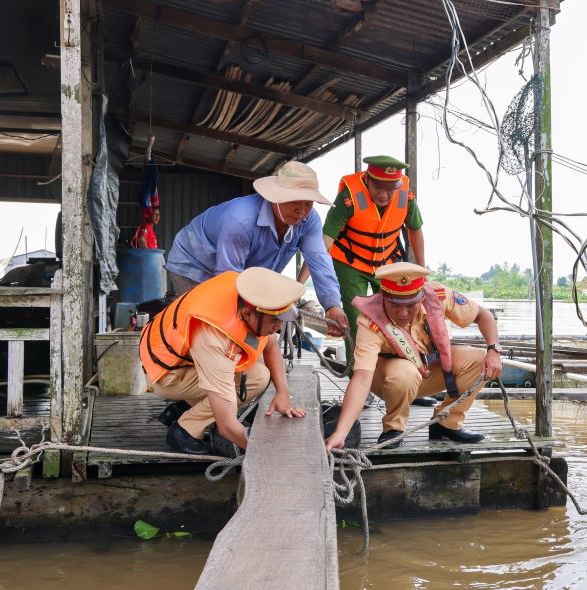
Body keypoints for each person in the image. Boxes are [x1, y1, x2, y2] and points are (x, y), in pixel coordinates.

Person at [324, 262, 502, 451]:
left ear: (422, 296)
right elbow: (361, 379)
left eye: (410, 305)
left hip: (429, 371)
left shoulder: (440, 296)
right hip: (389, 379)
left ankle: (446, 423)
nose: (402, 313)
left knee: (479, 358)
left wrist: (494, 350)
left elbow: (484, 315)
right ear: (383, 296)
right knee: (404, 371)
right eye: (394, 305)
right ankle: (394, 429)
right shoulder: (370, 321)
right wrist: (341, 433)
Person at [164, 160, 348, 336]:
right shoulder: (241, 220)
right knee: (211, 324)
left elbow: (319, 260)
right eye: (295, 201)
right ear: (276, 197)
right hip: (193, 263)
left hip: (234, 271)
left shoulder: (309, 220)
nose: (302, 210)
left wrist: (333, 306)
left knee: (254, 327)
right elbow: (227, 279)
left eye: (308, 203)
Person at [139, 267, 307, 454]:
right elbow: (227, 426)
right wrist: (272, 452)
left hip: (180, 357)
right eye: (275, 321)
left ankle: (184, 408)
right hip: (166, 373)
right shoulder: (213, 338)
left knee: (258, 364)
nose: (278, 327)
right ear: (248, 314)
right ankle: (185, 430)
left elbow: (271, 346)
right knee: (256, 378)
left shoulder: (248, 296)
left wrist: (283, 392)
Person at [300, 156, 425, 366]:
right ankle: (356, 372)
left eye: (390, 188)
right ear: (367, 179)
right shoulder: (349, 197)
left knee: (395, 314)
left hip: (386, 264)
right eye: (378, 187)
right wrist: (300, 282)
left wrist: (420, 271)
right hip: (350, 263)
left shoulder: (406, 195)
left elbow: (415, 229)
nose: (384, 195)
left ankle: (395, 368)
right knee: (355, 320)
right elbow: (323, 243)